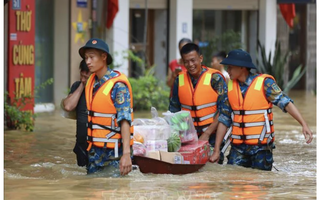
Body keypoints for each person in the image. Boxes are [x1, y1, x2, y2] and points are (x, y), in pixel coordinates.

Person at [210, 49, 313, 171]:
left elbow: (286, 103)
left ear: (242, 68)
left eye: (231, 67)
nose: (228, 71)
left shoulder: (265, 83)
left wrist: (304, 124)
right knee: (233, 182)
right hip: (237, 148)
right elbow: (224, 118)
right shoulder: (230, 86)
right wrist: (216, 151)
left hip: (260, 148)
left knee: (260, 184)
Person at [78, 38, 134, 175]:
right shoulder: (91, 81)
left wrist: (126, 154)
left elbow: (125, 119)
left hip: (114, 155)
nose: (87, 62)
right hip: (94, 154)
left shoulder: (118, 85)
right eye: (86, 58)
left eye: (91, 57)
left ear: (103, 57)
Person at [169, 43, 231, 164]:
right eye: (186, 62)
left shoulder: (216, 78)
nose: (190, 65)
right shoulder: (179, 80)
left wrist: (207, 134)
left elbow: (224, 111)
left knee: (210, 172)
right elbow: (173, 111)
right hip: (187, 137)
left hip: (212, 135)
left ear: (201, 58)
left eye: (193, 60)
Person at [61, 60, 91, 167]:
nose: (83, 79)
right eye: (81, 75)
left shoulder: (102, 89)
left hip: (97, 144)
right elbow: (68, 106)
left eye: (86, 77)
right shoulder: (77, 86)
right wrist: (82, 85)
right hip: (81, 144)